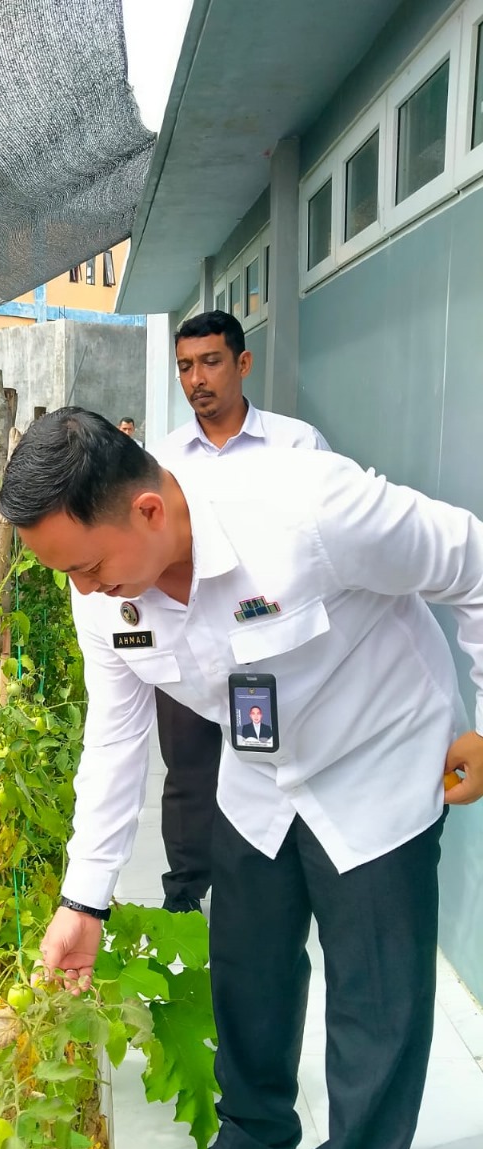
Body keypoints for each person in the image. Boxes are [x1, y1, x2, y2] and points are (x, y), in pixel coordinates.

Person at [0, 408, 483, 1149]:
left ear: (149, 510)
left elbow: (473, 561)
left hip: (380, 763)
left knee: (377, 1010)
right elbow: (114, 741)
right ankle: (256, 1145)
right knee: (248, 973)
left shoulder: (305, 506)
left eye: (88, 566)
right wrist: (84, 899)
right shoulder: (108, 602)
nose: (83, 591)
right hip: (259, 782)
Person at [154, 310, 329, 913]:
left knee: (270, 762)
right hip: (187, 644)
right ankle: (183, 897)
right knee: (188, 774)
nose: (196, 378)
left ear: (242, 363)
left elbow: (321, 543)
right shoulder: (164, 460)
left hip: (270, 646)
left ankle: (264, 890)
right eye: (185, 366)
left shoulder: (295, 444)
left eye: (210, 361)